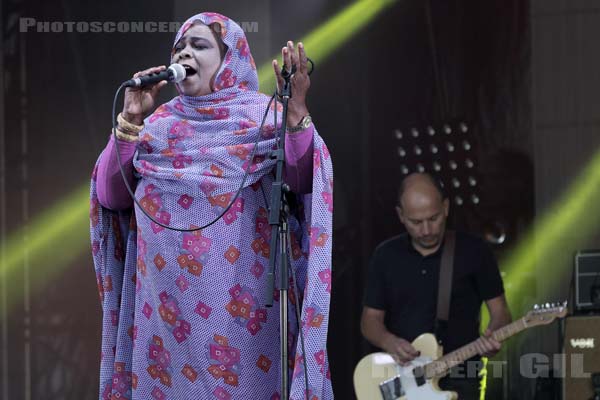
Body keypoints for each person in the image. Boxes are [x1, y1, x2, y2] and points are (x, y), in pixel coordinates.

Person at [89, 12, 333, 399]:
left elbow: (304, 183)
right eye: (180, 47)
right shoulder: (155, 126)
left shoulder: (263, 115)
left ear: (230, 57)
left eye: (199, 45)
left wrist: (298, 115)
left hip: (245, 319)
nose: (185, 52)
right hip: (164, 324)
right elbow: (110, 198)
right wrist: (130, 121)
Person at [360, 173, 511, 400]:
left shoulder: (474, 251)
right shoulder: (385, 255)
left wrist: (495, 333)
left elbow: (501, 312)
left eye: (434, 218)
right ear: (401, 215)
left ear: (446, 208)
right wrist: (389, 341)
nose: (427, 230)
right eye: (416, 222)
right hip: (402, 379)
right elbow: (369, 321)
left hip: (461, 375)